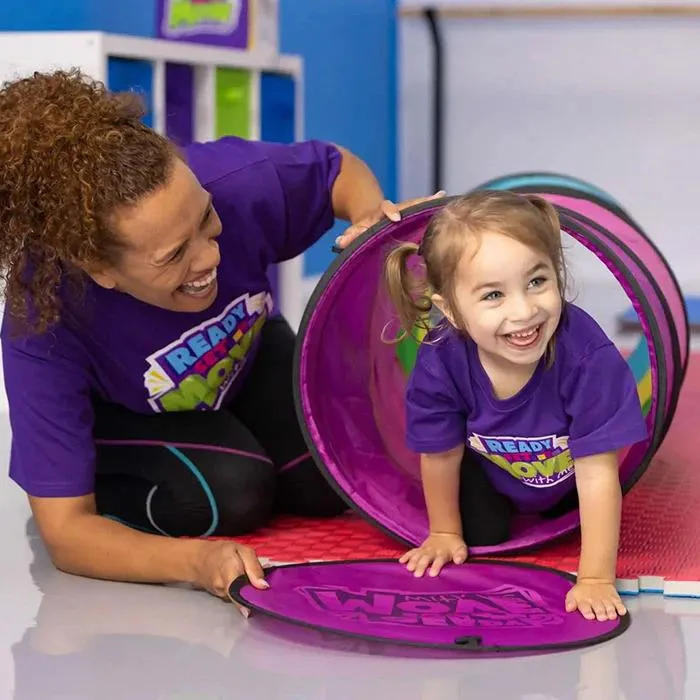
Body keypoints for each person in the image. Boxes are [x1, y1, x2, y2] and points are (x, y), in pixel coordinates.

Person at [0, 68, 439, 602]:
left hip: (245, 355)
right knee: (236, 489)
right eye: (173, 256)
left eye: (205, 220)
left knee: (336, 474)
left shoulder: (229, 180)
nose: (210, 256)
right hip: (133, 415)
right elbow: (67, 534)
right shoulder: (41, 320)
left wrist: (372, 217)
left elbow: (338, 170)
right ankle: (122, 484)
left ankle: (246, 445)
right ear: (99, 268)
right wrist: (193, 560)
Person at [384, 190, 648, 622]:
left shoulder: (586, 356)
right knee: (481, 537)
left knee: (585, 514)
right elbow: (440, 451)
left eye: (537, 282)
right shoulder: (442, 360)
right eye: (492, 296)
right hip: (490, 477)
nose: (524, 311)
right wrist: (444, 531)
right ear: (450, 310)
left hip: (571, 484)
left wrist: (596, 578)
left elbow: (598, 472)